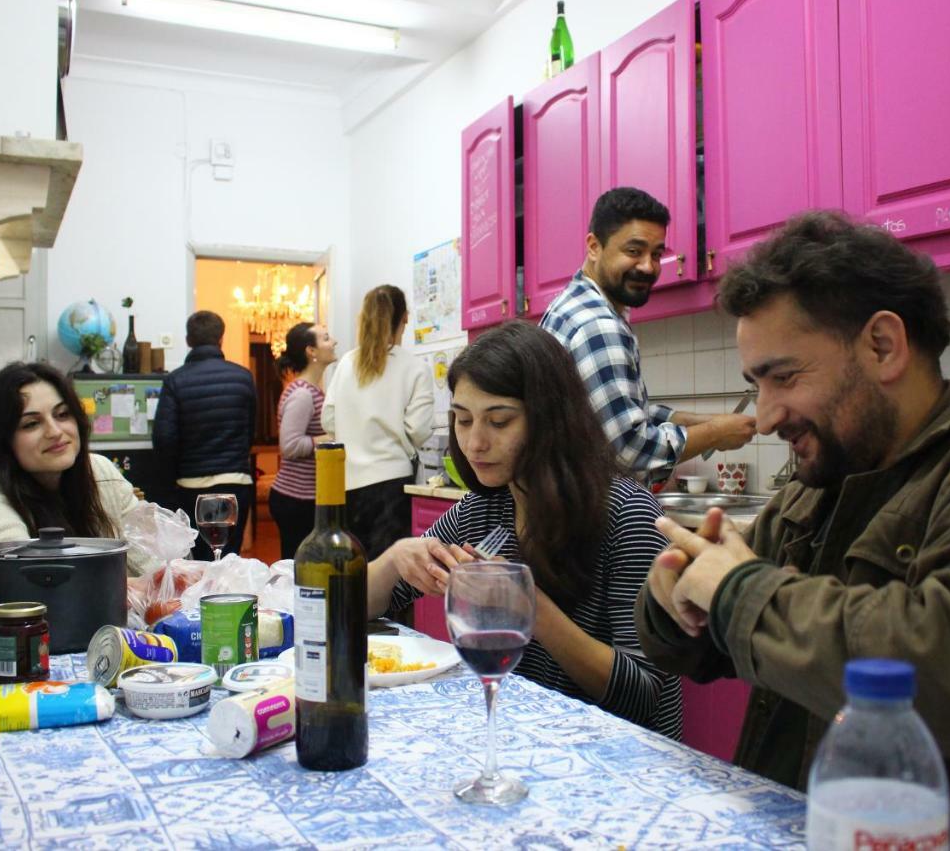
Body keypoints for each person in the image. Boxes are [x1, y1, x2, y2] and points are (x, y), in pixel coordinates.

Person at [634, 211, 950, 846]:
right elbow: (705, 642)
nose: (767, 416)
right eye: (756, 384)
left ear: (884, 346)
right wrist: (675, 601)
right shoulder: (819, 486)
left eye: (784, 377)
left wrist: (736, 592)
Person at [367, 321, 682, 737]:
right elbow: (356, 605)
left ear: (551, 421)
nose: (475, 443)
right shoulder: (484, 508)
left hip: (620, 752)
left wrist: (527, 604)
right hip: (529, 736)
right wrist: (395, 559)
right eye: (463, 420)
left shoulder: (628, 515)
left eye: (499, 422)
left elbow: (644, 696)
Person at [540, 186, 756, 484]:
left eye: (656, 254)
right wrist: (715, 434)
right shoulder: (598, 324)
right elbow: (629, 450)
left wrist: (694, 421)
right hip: (592, 509)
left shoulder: (571, 305)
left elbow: (605, 414)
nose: (648, 266)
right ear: (594, 246)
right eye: (634, 251)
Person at [0, 361, 151, 575]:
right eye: (31, 424)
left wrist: (168, 574)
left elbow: (152, 557)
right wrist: (135, 587)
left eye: (62, 414)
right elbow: (23, 579)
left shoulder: (99, 470)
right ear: (1, 440)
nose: (55, 432)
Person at [322, 285, 434, 559]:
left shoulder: (346, 363)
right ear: (404, 318)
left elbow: (329, 420)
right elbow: (419, 431)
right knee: (389, 572)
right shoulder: (416, 368)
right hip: (393, 484)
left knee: (353, 568)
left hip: (347, 484)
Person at [152, 310, 256, 559]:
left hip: (191, 485)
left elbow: (164, 439)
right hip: (235, 481)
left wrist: (170, 482)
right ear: (221, 338)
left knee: (198, 559)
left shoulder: (175, 380)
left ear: (188, 340)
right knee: (228, 557)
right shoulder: (243, 377)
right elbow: (250, 430)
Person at [269, 322, 337, 560]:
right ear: (311, 351)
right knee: (297, 568)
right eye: (326, 338)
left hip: (305, 498)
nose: (334, 342)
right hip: (296, 500)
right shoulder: (302, 394)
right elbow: (289, 446)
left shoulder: (312, 390)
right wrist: (330, 438)